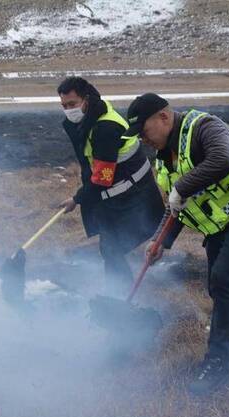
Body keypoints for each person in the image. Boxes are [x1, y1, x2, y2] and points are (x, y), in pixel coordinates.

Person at [125, 93, 229, 395]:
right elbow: (176, 204)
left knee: (222, 280)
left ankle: (218, 361)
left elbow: (223, 158)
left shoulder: (205, 127)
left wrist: (182, 187)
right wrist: (160, 241)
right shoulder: (164, 154)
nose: (143, 139)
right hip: (219, 226)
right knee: (219, 282)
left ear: (164, 117)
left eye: (144, 131)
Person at [57, 77, 165, 290]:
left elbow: (102, 178)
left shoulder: (105, 128)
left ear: (86, 99)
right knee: (109, 247)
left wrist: (77, 199)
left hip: (135, 198)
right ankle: (116, 291)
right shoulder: (90, 118)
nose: (68, 110)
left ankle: (120, 296)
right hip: (118, 195)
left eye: (72, 104)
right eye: (64, 106)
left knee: (112, 249)